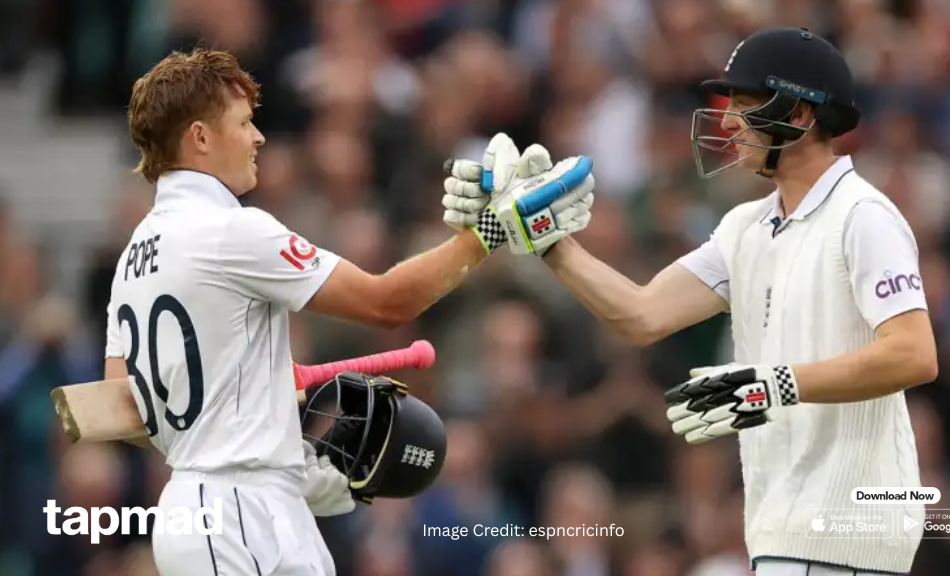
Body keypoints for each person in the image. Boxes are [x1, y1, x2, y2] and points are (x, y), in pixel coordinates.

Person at [445, 27, 937, 576]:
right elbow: (641, 313)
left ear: (800, 115)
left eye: (746, 105)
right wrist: (545, 239)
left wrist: (775, 383)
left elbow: (914, 355)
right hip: (784, 533)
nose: (726, 122)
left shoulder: (862, 215)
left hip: (845, 533)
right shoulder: (746, 227)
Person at [104, 48, 595, 576]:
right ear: (200, 137)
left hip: (217, 503)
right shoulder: (232, 230)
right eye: (244, 123)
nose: (258, 137)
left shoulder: (134, 256)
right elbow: (388, 302)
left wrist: (268, 440)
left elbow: (123, 407)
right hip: (239, 510)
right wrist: (490, 233)